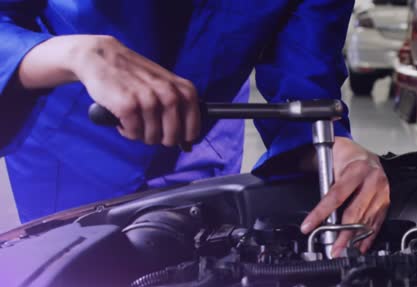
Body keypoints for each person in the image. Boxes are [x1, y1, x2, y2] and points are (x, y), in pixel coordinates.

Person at [0, 0, 389, 257]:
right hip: (75, 136)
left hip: (203, 134)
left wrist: (329, 147)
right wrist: (71, 54)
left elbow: (304, 70)